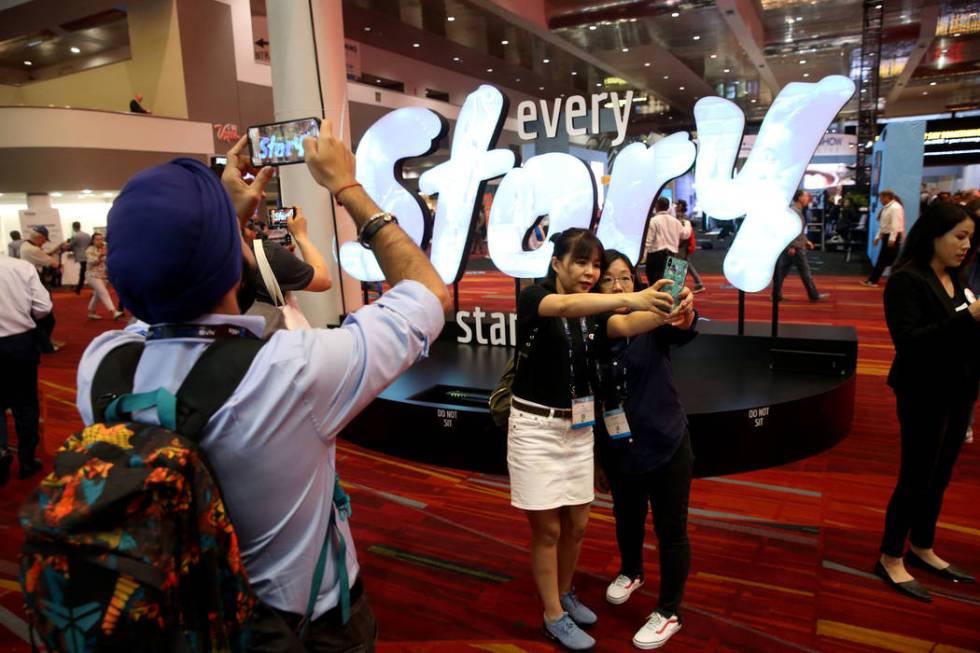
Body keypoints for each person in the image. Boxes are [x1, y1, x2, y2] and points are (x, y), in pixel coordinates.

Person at [75, 127, 451, 651]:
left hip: (172, 615)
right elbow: (429, 294)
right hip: (300, 628)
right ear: (233, 259)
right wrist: (347, 189)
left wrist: (222, 224)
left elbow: (162, 297)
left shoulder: (101, 366)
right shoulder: (291, 371)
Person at [509, 229, 675, 651]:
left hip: (579, 429)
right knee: (547, 529)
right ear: (556, 263)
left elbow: (625, 323)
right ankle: (552, 615)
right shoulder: (535, 299)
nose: (590, 272)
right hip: (535, 428)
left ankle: (564, 594)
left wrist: (664, 309)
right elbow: (565, 305)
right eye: (580, 262)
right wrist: (631, 296)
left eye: (595, 264)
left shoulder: (596, 313)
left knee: (578, 525)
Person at [592, 250, 697, 650]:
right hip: (619, 446)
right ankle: (632, 570)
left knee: (671, 530)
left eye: (624, 278)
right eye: (608, 280)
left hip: (666, 440)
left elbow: (680, 325)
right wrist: (600, 458)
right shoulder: (593, 329)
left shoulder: (652, 320)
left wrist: (682, 309)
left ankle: (670, 610)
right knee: (627, 517)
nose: (618, 287)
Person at [875, 202, 979, 602]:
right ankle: (890, 556)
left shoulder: (957, 276)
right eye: (959, 236)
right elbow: (911, 343)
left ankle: (922, 544)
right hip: (922, 391)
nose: (966, 245)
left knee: (940, 475)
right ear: (934, 234)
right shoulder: (907, 280)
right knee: (916, 476)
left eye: (970, 238)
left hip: (960, 389)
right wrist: (969, 318)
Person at [0, 254, 51, 485]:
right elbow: (43, 307)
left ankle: (1, 456)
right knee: (26, 404)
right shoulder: (21, 267)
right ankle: (27, 461)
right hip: (20, 345)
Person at [772, 190, 830, 302]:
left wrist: (806, 241)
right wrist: (791, 246)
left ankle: (776, 295)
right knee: (805, 272)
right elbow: (789, 230)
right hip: (795, 247)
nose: (808, 198)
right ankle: (814, 296)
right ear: (799, 198)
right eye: (806, 196)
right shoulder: (794, 211)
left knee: (782, 271)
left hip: (795, 245)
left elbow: (799, 231)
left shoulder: (796, 211)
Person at [19, 226, 62, 352]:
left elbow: (43, 256)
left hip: (28, 284)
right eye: (43, 240)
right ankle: (43, 344)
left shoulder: (25, 245)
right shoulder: (33, 250)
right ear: (40, 238)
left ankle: (44, 342)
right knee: (47, 317)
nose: (44, 243)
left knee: (38, 317)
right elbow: (54, 263)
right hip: (36, 284)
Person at [643, 198, 690, 285]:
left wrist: (643, 257)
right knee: (672, 287)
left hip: (655, 256)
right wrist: (687, 224)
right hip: (673, 255)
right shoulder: (675, 221)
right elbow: (685, 234)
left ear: (656, 206)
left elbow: (648, 241)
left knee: (656, 284)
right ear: (668, 207)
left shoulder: (653, 221)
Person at [863, 190, 905, 287]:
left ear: (887, 197)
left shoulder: (895, 208)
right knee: (888, 260)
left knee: (887, 260)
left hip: (892, 236)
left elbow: (896, 224)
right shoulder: (888, 207)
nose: (880, 200)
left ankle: (873, 280)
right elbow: (884, 225)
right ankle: (874, 280)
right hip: (888, 236)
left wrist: (892, 239)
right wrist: (878, 237)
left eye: (881, 197)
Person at [84, 232, 123, 320]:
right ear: (92, 241)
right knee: (103, 292)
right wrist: (100, 255)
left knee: (97, 295)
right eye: (97, 239)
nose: (100, 241)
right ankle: (113, 311)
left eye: (101, 239)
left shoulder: (105, 247)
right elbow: (92, 262)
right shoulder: (89, 250)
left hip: (103, 275)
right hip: (92, 275)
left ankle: (91, 312)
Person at [673, 200, 705, 293]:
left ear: (681, 206)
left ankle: (678, 286)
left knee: (679, 264)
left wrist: (678, 243)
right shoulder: (680, 217)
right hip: (682, 244)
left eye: (677, 205)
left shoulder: (683, 218)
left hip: (682, 245)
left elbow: (684, 233)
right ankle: (698, 283)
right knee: (686, 264)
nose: (676, 207)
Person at [65, 221, 92, 294]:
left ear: (73, 227)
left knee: (83, 273)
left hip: (81, 256)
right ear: (80, 226)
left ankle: (79, 289)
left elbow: (69, 246)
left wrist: (65, 244)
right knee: (86, 272)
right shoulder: (87, 235)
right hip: (89, 255)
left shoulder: (75, 236)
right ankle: (79, 289)